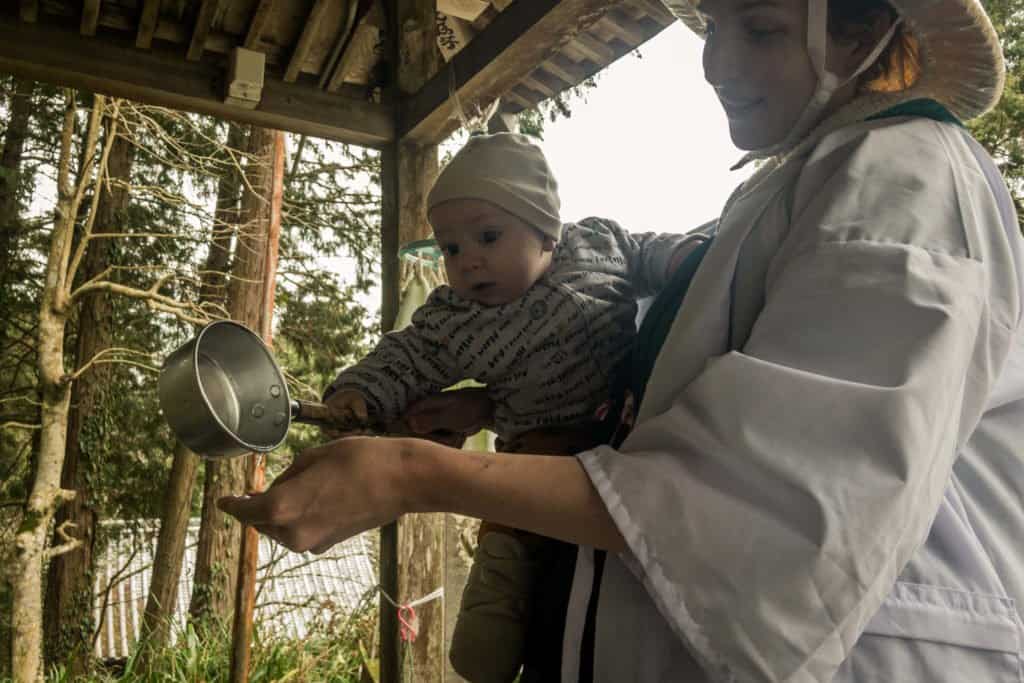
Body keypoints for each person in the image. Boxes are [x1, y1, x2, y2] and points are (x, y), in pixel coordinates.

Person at [220, 0, 1024, 679]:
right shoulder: (794, 191)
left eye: (763, 30)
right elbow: (667, 375)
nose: (713, 61)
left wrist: (413, 471)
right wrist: (492, 398)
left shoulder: (902, 180)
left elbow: (772, 506)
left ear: (860, 36)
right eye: (713, 25)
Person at [321, 130, 703, 681]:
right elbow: (407, 354)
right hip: (530, 461)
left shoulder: (597, 244)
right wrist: (358, 392)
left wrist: (686, 258)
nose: (469, 261)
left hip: (626, 447)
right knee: (498, 592)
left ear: (547, 231)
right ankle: (485, 658)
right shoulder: (460, 318)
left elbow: (649, 250)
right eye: (451, 248)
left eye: (488, 236)